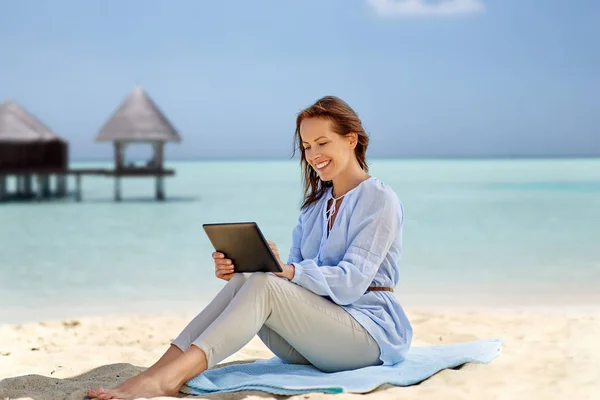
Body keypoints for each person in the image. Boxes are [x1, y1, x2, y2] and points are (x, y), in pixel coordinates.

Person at [87, 96, 413, 400]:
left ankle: (169, 379)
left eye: (323, 143)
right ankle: (156, 372)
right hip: (316, 341)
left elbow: (352, 281)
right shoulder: (314, 207)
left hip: (368, 338)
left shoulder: (377, 199)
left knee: (264, 283)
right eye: (307, 146)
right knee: (249, 278)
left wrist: (284, 271)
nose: (313, 155)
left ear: (351, 139)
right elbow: (296, 282)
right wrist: (251, 267)